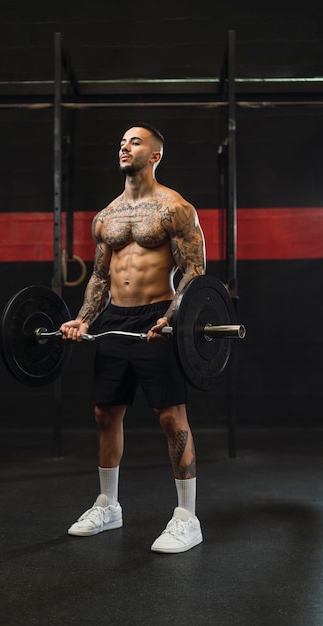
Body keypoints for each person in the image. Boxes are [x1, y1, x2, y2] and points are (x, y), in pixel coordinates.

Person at [60, 123, 206, 553]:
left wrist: (173, 315)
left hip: (157, 319)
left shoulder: (174, 208)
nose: (125, 146)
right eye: (121, 141)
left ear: (155, 155)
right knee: (106, 414)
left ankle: (187, 517)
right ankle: (109, 505)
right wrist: (84, 319)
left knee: (170, 418)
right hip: (113, 319)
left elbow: (195, 271)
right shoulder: (105, 216)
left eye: (135, 141)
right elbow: (100, 278)